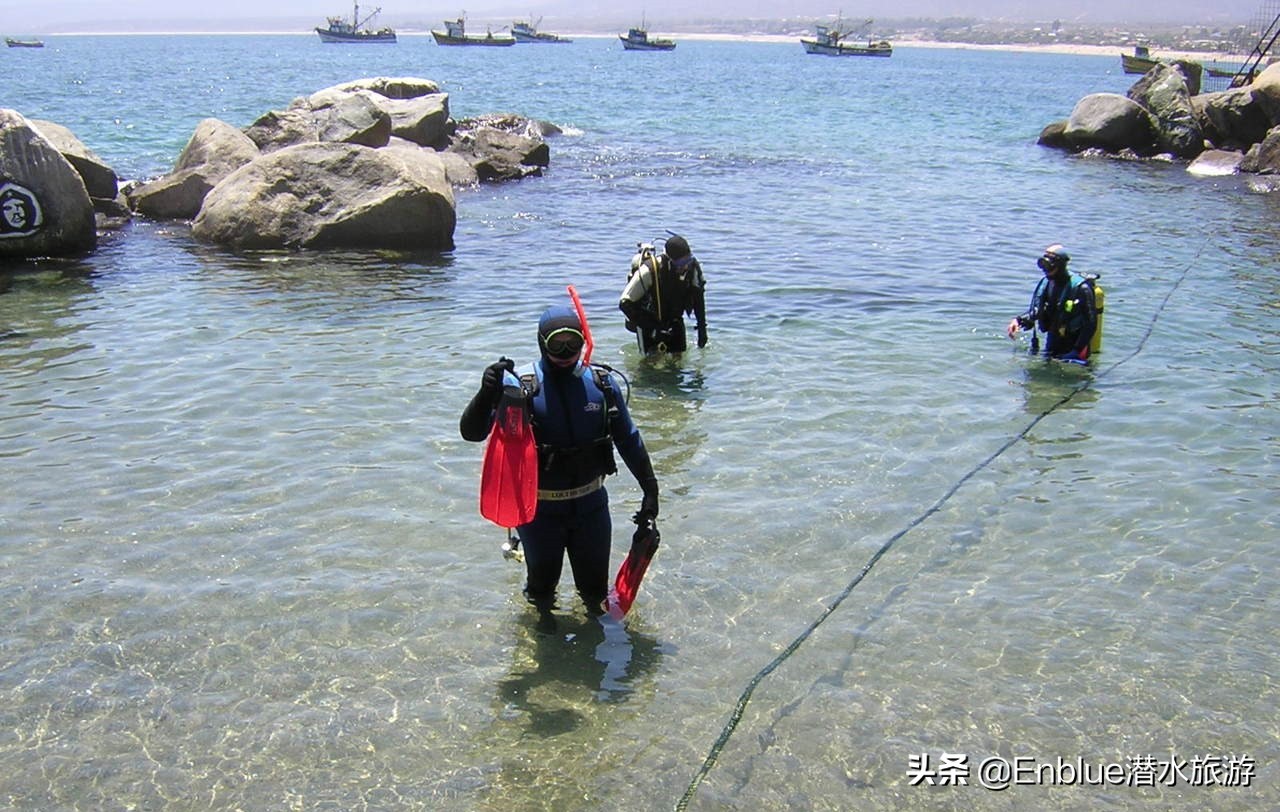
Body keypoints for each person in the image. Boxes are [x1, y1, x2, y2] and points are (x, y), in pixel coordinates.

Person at [459, 304, 660, 614]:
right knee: (541, 593)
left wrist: (651, 490)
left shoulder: (602, 385)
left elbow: (629, 439)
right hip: (539, 513)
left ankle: (594, 656)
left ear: (584, 340)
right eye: (557, 344)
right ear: (542, 342)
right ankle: (543, 647)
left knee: (595, 595)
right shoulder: (519, 386)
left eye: (573, 343)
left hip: (591, 507)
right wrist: (485, 394)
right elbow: (472, 433)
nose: (566, 352)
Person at [1006, 244, 1098, 363]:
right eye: (1044, 267)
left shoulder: (1081, 288)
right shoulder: (1047, 283)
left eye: (1049, 267)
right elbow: (1037, 311)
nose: (1046, 271)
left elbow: (1091, 324)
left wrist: (1076, 350)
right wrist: (1019, 320)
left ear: (1060, 265)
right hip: (1053, 340)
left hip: (1075, 344)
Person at [619, 233, 708, 354]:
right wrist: (653, 330)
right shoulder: (650, 270)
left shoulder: (692, 268)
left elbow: (698, 297)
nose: (685, 266)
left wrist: (702, 328)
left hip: (675, 320)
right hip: (649, 322)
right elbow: (625, 303)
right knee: (651, 365)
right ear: (669, 260)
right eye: (681, 263)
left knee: (678, 361)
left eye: (687, 260)